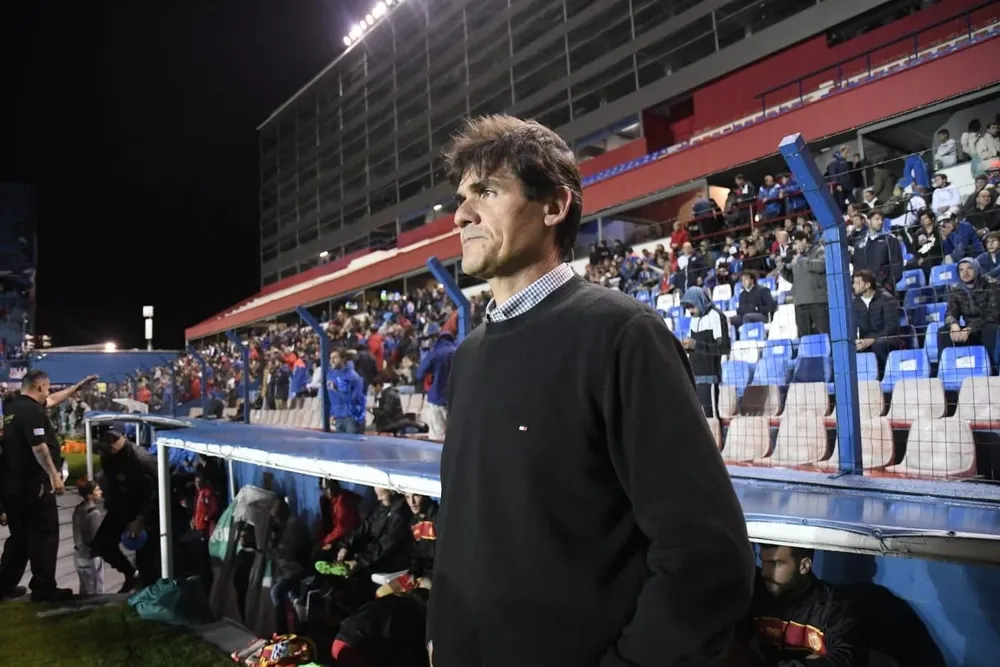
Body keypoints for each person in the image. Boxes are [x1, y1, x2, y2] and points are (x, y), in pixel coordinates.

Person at [427, 115, 753, 667]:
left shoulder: (623, 335)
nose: (462, 214)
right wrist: (443, 633)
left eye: (487, 191)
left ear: (554, 206)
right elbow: (467, 523)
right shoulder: (471, 353)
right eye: (462, 197)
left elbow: (705, 553)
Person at [0, 370, 97, 602]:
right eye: (48, 388)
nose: (49, 393)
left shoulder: (13, 409)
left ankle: (3, 586)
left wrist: (76, 387)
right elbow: (39, 447)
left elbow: (51, 400)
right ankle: (44, 587)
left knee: (21, 538)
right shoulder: (32, 411)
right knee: (45, 534)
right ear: (40, 387)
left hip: (13, 487)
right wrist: (54, 475)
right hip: (34, 485)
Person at [748, 545, 863, 666]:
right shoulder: (759, 595)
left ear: (804, 566)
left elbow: (846, 658)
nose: (765, 572)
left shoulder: (833, 607)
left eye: (775, 564)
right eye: (763, 562)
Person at [91, 425, 160, 593]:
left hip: (147, 507)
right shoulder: (107, 458)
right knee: (102, 544)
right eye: (107, 440)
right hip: (122, 505)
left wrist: (141, 518)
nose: (111, 443)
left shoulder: (141, 459)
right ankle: (132, 574)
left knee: (146, 557)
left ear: (123, 437)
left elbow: (156, 490)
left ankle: (147, 590)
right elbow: (113, 484)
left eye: (114, 439)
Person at [852, 269, 904, 374]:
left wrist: (872, 340)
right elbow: (854, 325)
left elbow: (892, 327)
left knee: (878, 345)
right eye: (854, 283)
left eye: (857, 283)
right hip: (866, 340)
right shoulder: (855, 303)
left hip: (888, 338)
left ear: (867, 285)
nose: (854, 286)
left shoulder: (887, 299)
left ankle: (883, 377)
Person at [413, 331, 455, 440]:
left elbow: (419, 374)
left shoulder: (435, 352)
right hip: (456, 400)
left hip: (437, 397)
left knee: (437, 437)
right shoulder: (458, 351)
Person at [72, 480, 106, 595]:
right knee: (96, 592)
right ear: (89, 495)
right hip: (90, 557)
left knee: (84, 591)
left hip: (78, 555)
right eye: (97, 490)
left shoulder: (78, 509)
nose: (101, 492)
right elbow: (95, 537)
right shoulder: (94, 513)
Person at [326, 349, 366, 434]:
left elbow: (355, 399)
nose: (331, 361)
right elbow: (331, 397)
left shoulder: (352, 376)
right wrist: (332, 413)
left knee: (352, 445)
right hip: (338, 417)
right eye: (330, 358)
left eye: (335, 358)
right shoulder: (330, 374)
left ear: (343, 359)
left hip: (351, 418)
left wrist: (337, 389)